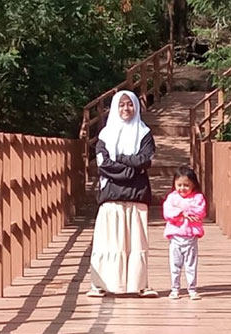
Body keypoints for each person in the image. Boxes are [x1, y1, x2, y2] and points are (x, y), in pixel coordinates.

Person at [86, 90, 158, 298]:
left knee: (136, 241)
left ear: (136, 107)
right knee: (108, 241)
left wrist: (121, 160)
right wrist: (131, 169)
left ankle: (139, 284)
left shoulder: (144, 133)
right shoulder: (105, 136)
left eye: (130, 104)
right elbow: (103, 164)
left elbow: (145, 159)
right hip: (111, 194)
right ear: (115, 108)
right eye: (121, 105)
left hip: (136, 194)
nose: (126, 109)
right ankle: (101, 284)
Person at [162, 167, 206, 300]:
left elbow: (200, 212)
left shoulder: (198, 198)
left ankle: (192, 288)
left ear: (193, 184)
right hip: (175, 236)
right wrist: (181, 213)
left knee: (191, 264)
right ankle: (175, 288)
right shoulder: (171, 197)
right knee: (175, 264)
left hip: (190, 237)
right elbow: (168, 213)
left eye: (186, 185)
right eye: (179, 185)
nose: (182, 188)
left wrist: (185, 210)